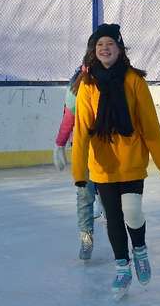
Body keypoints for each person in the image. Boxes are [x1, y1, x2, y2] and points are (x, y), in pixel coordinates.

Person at [71, 23, 160, 299]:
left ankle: (139, 250)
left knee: (132, 212)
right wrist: (79, 170)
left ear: (120, 49)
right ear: (94, 51)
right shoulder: (87, 85)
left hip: (131, 161)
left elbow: (149, 123)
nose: (105, 48)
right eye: (100, 45)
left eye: (110, 44)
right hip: (102, 165)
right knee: (113, 218)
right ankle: (122, 267)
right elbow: (81, 129)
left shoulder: (134, 81)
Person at [52, 61, 104, 260]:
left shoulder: (109, 84)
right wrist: (59, 144)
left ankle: (111, 226)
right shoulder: (76, 87)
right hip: (83, 150)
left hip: (107, 149)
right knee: (84, 194)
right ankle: (86, 236)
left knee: (108, 193)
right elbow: (69, 118)